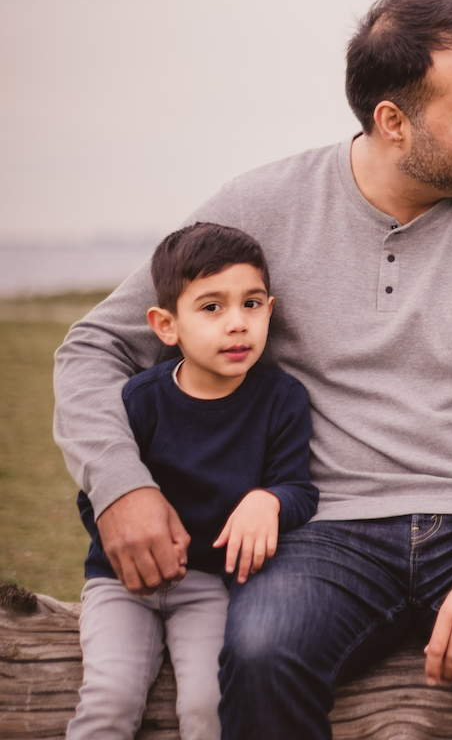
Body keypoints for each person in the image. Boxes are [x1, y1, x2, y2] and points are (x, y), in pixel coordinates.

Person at [53, 0, 452, 740]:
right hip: (325, 526)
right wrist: (120, 487)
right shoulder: (264, 205)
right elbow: (95, 346)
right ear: (393, 122)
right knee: (260, 654)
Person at [66, 222, 319, 740]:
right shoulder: (140, 399)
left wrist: (268, 500)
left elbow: (300, 490)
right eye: (211, 307)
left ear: (270, 311)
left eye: (251, 305)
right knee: (109, 701)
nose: (236, 324)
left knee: (208, 707)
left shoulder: (282, 400)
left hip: (210, 585)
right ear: (166, 325)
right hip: (120, 584)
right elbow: (96, 496)